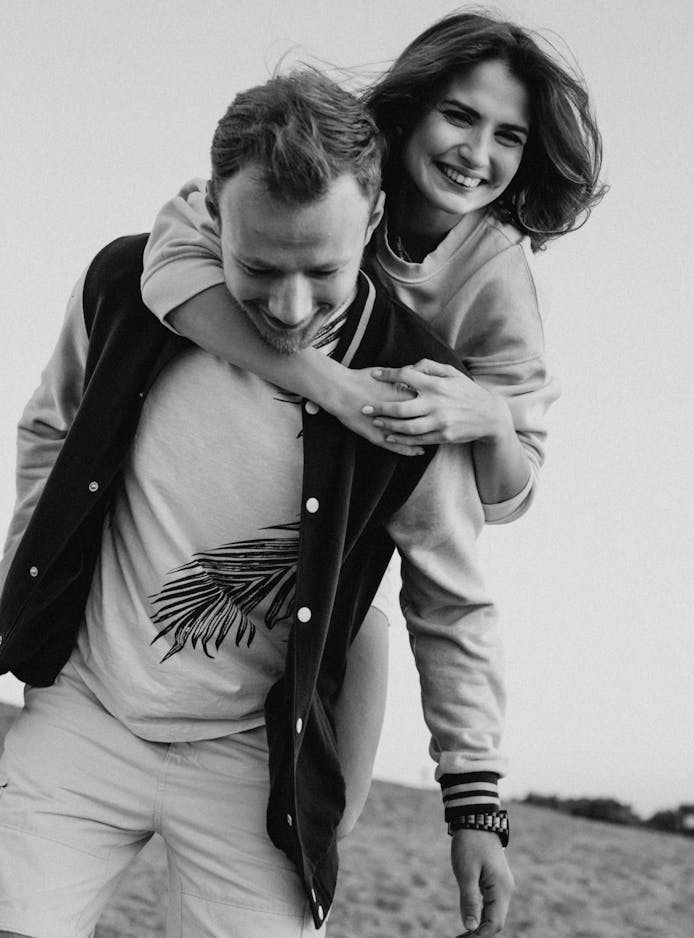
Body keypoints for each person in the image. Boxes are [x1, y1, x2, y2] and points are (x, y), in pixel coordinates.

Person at [0, 71, 512, 938]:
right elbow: (50, 434)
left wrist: (476, 805)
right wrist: (25, 595)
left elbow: (450, 601)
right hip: (85, 708)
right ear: (213, 214)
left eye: (323, 270)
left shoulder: (420, 390)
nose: (289, 306)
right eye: (259, 267)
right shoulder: (128, 287)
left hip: (258, 756)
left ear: (375, 218)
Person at [140, 6, 606, 819]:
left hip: (349, 528)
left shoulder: (494, 271)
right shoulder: (331, 170)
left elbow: (510, 493)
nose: (477, 152)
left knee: (329, 815)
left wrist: (489, 418)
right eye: (459, 115)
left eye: (509, 135)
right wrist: (325, 380)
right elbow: (171, 255)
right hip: (217, 487)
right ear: (412, 107)